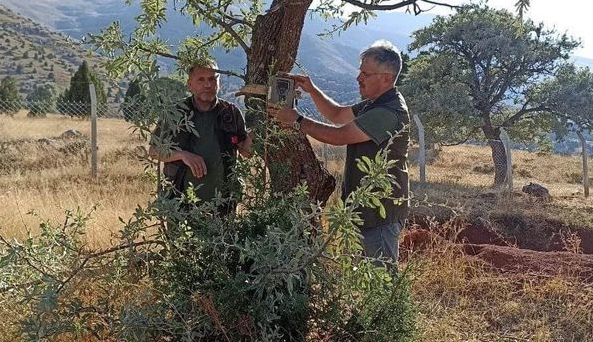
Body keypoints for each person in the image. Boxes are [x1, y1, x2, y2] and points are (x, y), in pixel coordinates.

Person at [271, 40, 410, 265]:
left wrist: (295, 120)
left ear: (386, 77)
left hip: (379, 214)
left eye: (366, 73)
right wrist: (312, 89)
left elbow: (339, 136)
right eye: (360, 72)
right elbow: (336, 114)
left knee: (379, 281)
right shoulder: (372, 104)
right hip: (363, 212)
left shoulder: (387, 111)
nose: (359, 78)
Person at [149, 60, 252, 222]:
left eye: (212, 79)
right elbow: (154, 151)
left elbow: (246, 153)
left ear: (219, 83)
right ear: (189, 84)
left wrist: (256, 132)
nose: (207, 85)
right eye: (201, 80)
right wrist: (183, 155)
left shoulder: (230, 113)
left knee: (221, 247)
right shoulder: (175, 113)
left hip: (222, 206)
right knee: (183, 248)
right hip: (181, 205)